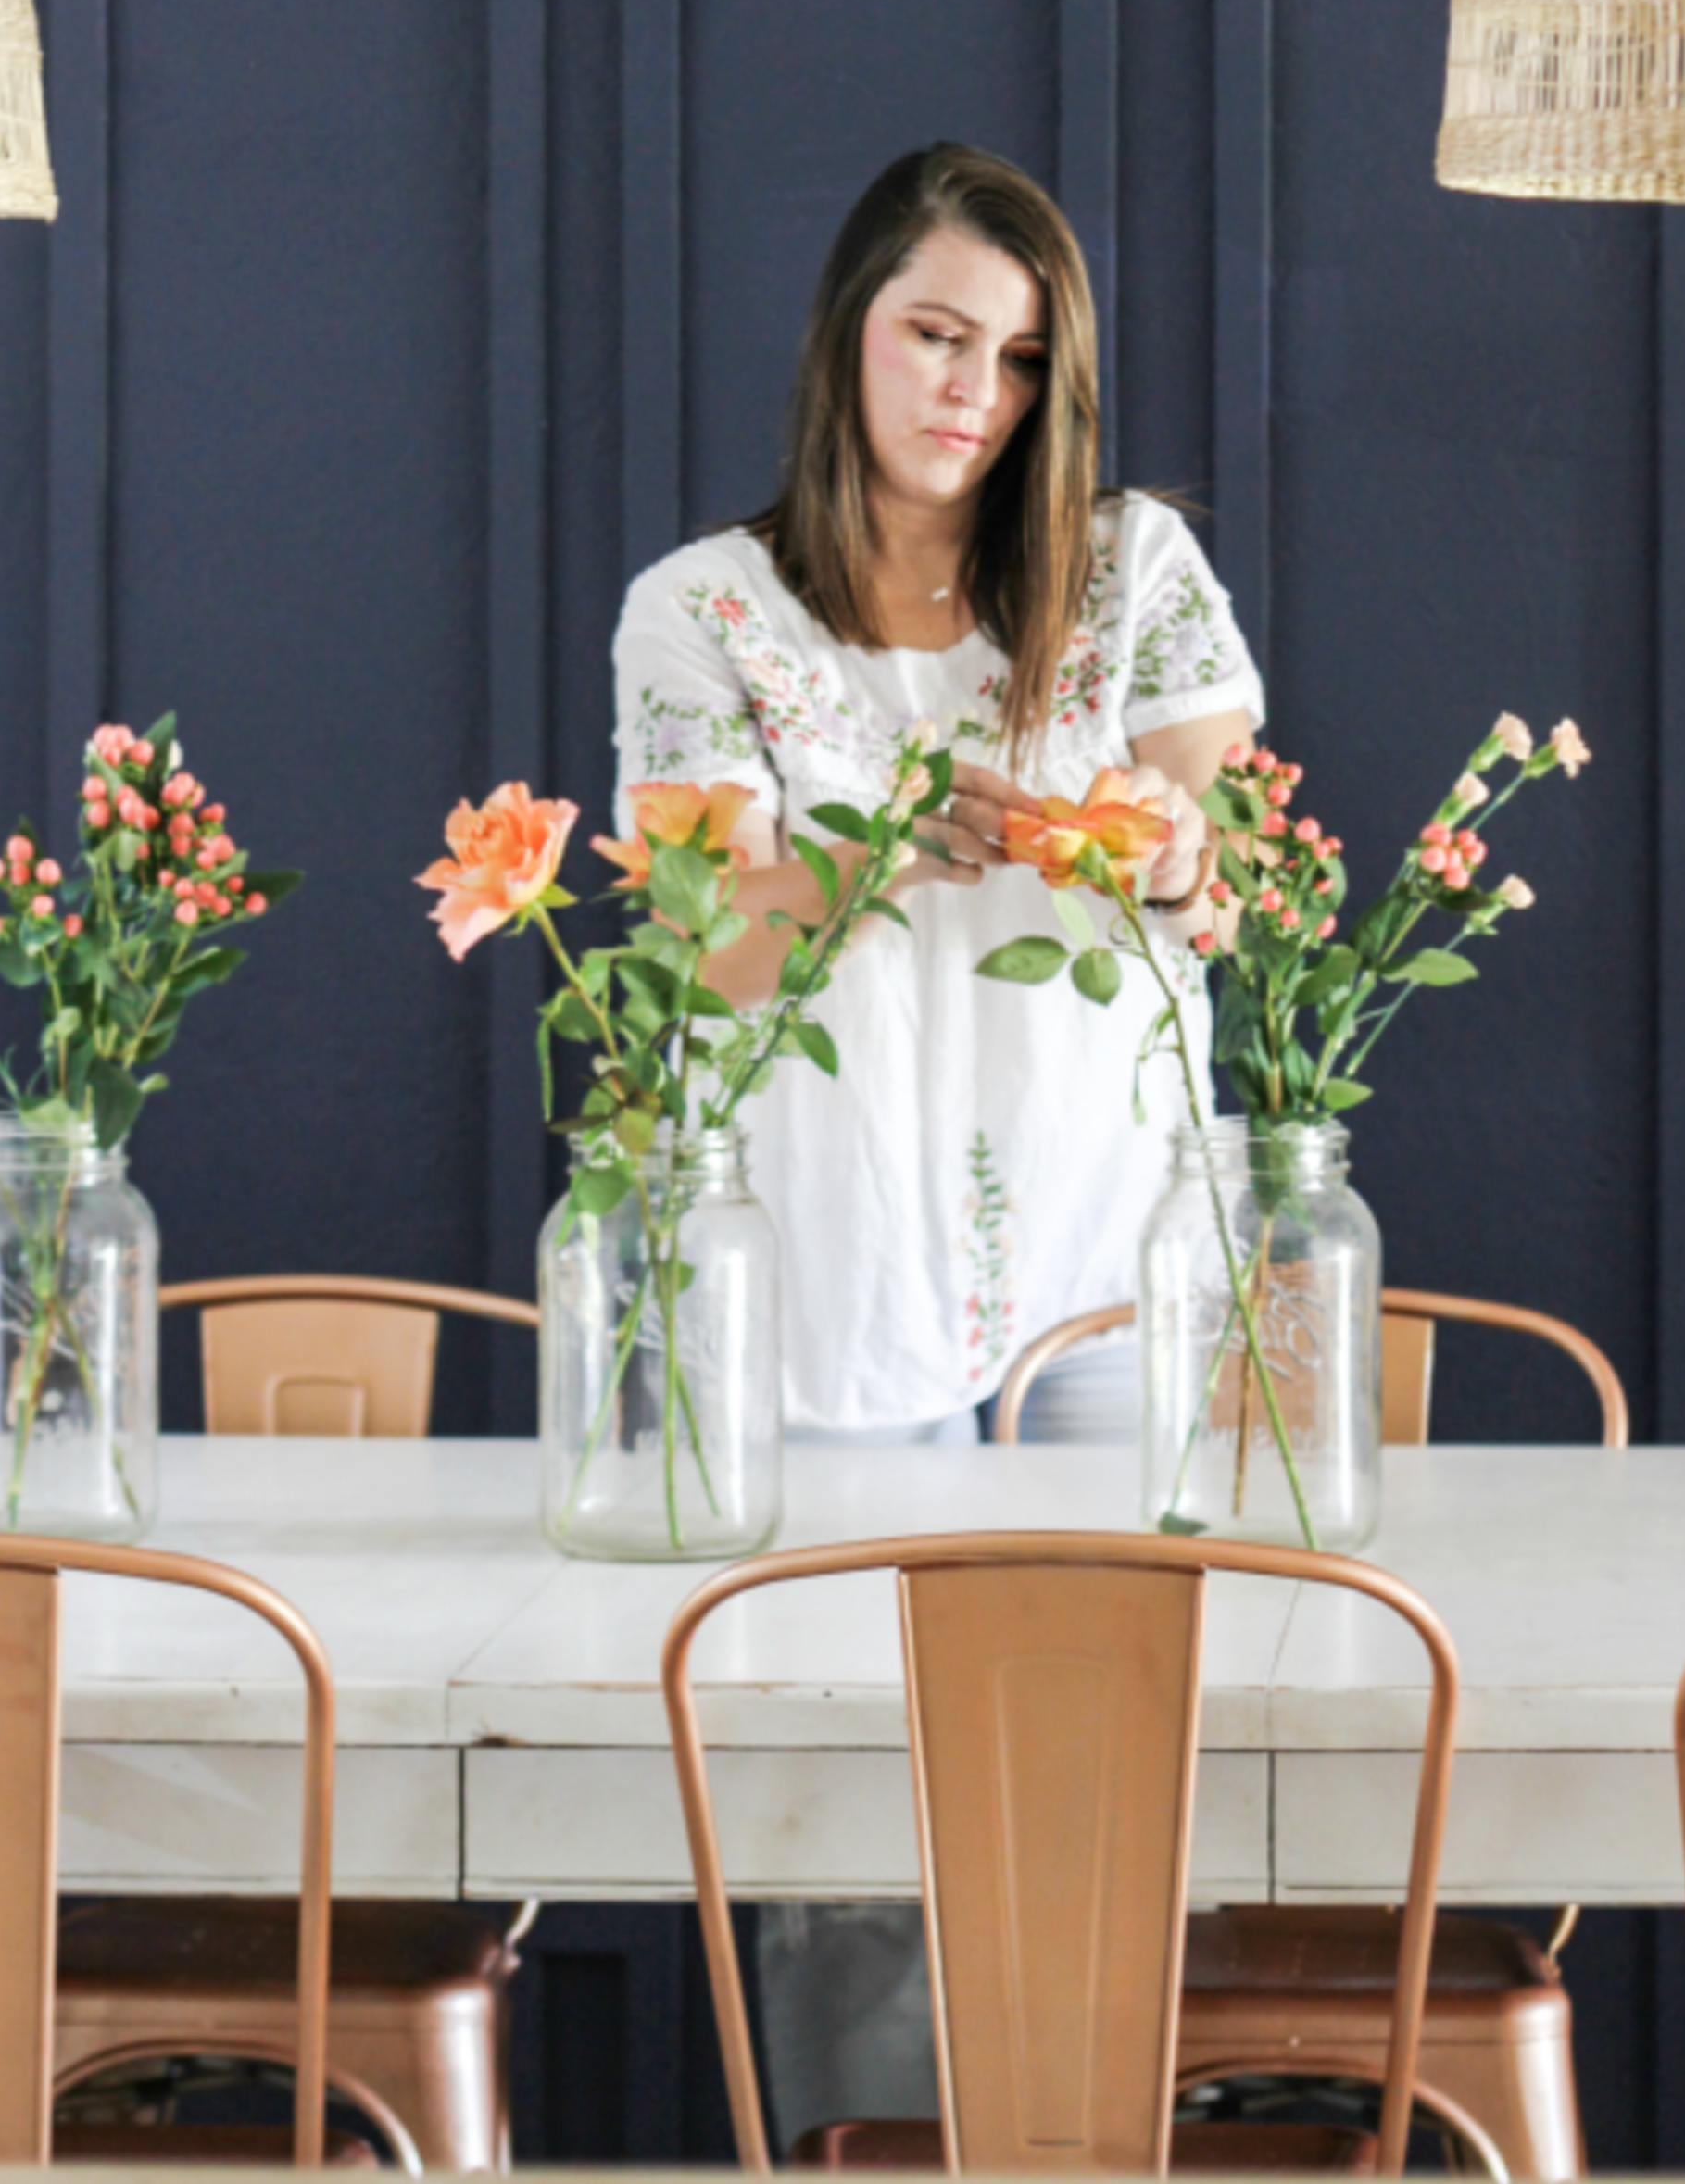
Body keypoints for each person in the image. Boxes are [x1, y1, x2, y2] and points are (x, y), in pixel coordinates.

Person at [610, 140, 1263, 2139]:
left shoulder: (1127, 569)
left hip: (1099, 1269)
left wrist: (1162, 851)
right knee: (836, 1800)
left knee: (1127, 1760)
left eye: (1014, 356)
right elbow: (708, 945)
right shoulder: (701, 612)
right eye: (933, 333)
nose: (969, 389)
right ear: (848, 333)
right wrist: (892, 832)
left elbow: (1221, 869)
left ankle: (1093, 2142)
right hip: (816, 1278)